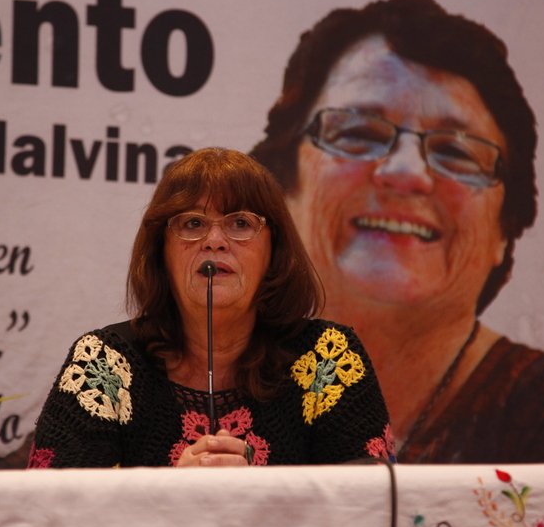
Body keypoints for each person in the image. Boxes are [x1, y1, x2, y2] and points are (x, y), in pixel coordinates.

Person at [249, 0, 544, 464]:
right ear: (282, 187)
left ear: (505, 231)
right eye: (358, 133)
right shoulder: (210, 385)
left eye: (456, 152)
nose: (407, 172)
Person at [28, 148, 392, 468]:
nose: (215, 241)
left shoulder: (328, 357)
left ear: (274, 251)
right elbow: (52, 508)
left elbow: (372, 504)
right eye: (193, 223)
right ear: (161, 251)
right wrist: (172, 494)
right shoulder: (102, 363)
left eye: (240, 223)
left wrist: (257, 497)